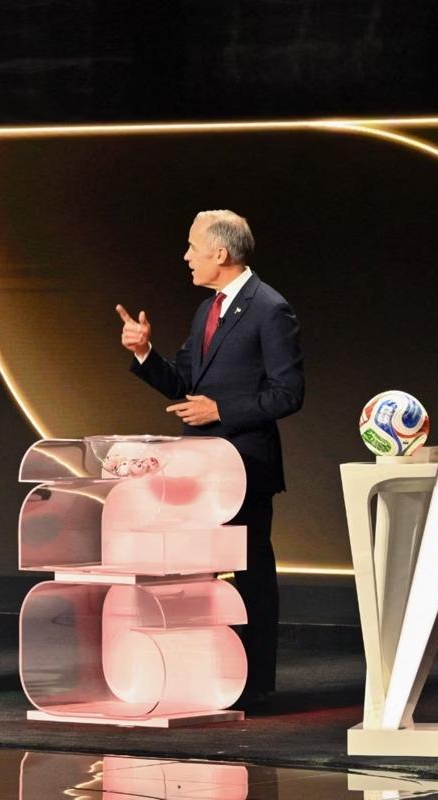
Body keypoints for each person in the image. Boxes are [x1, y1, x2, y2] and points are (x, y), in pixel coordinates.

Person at [116, 209, 303, 708]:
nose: (186, 256)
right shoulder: (207, 310)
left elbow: (289, 393)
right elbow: (182, 382)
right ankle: (211, 675)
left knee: (248, 571)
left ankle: (254, 682)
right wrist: (144, 353)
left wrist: (222, 409)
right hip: (199, 468)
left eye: (192, 246)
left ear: (220, 253)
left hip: (245, 465)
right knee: (199, 571)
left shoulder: (270, 309)